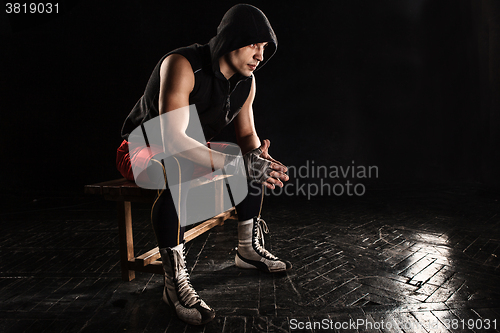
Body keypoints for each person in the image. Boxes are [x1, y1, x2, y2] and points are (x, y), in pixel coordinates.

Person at [115, 4, 290, 325]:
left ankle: (247, 250)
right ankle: (173, 284)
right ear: (233, 39)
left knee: (249, 160)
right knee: (183, 169)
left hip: (188, 147)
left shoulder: (246, 82)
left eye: (264, 49)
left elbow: (248, 133)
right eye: (255, 44)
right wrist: (233, 164)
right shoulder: (181, 63)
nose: (260, 55)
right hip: (143, 146)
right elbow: (174, 141)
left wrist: (259, 158)